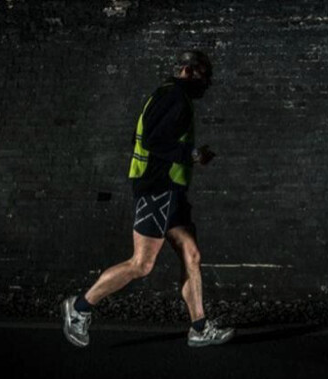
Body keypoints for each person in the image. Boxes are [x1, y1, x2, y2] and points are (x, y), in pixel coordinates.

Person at [61, 50, 235, 348]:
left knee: (191, 255)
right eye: (204, 77)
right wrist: (192, 155)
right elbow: (154, 141)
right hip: (158, 190)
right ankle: (78, 309)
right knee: (141, 264)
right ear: (190, 72)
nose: (206, 84)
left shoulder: (165, 95)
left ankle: (199, 328)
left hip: (172, 192)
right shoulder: (175, 98)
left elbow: (138, 138)